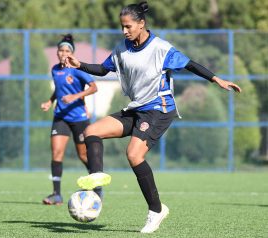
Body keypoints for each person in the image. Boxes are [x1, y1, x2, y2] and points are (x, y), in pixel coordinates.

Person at [65, 1, 242, 233]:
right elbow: (104, 68)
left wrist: (216, 79)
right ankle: (97, 174)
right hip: (137, 109)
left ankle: (156, 210)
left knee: (133, 154)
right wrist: (81, 65)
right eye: (122, 26)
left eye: (128, 26)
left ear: (141, 24)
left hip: (159, 109)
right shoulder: (122, 48)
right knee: (91, 132)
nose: (124, 31)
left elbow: (190, 64)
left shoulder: (160, 48)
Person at [41, 34, 100, 205]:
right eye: (61, 50)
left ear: (71, 53)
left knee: (83, 154)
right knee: (56, 153)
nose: (63, 53)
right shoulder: (55, 69)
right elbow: (59, 89)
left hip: (79, 118)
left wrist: (75, 96)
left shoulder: (77, 69)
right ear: (57, 52)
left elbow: (94, 87)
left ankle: (97, 188)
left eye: (67, 50)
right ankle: (56, 194)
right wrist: (50, 101)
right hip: (60, 117)